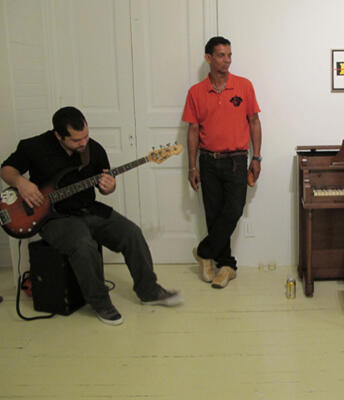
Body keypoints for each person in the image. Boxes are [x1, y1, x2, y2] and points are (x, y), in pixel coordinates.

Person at [0, 107, 183, 325]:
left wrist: (109, 186)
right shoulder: (33, 146)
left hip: (88, 209)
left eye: (86, 135)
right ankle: (101, 303)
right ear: (59, 135)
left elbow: (106, 186)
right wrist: (22, 183)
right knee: (82, 244)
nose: (83, 143)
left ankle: (149, 291)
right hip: (53, 218)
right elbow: (7, 170)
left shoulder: (94, 150)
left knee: (131, 232)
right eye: (76, 140)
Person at [183, 36, 262, 289]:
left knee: (234, 210)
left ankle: (204, 252)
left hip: (237, 160)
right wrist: (192, 166)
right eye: (220, 55)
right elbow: (193, 130)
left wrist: (257, 157)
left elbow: (254, 122)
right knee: (214, 215)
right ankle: (226, 266)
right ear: (208, 58)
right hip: (207, 161)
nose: (226, 60)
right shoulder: (196, 92)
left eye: (229, 55)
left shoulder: (244, 86)